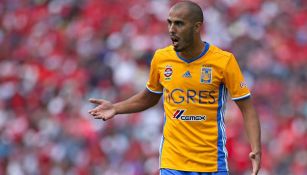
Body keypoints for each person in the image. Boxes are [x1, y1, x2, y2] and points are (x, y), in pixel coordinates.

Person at [88, 1, 261, 175]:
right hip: (172, 163)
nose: (172, 29)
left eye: (179, 23)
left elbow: (247, 108)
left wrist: (256, 149)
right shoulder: (161, 58)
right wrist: (115, 108)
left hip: (211, 163)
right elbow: (150, 97)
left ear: (196, 27)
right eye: (169, 22)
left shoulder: (224, 61)